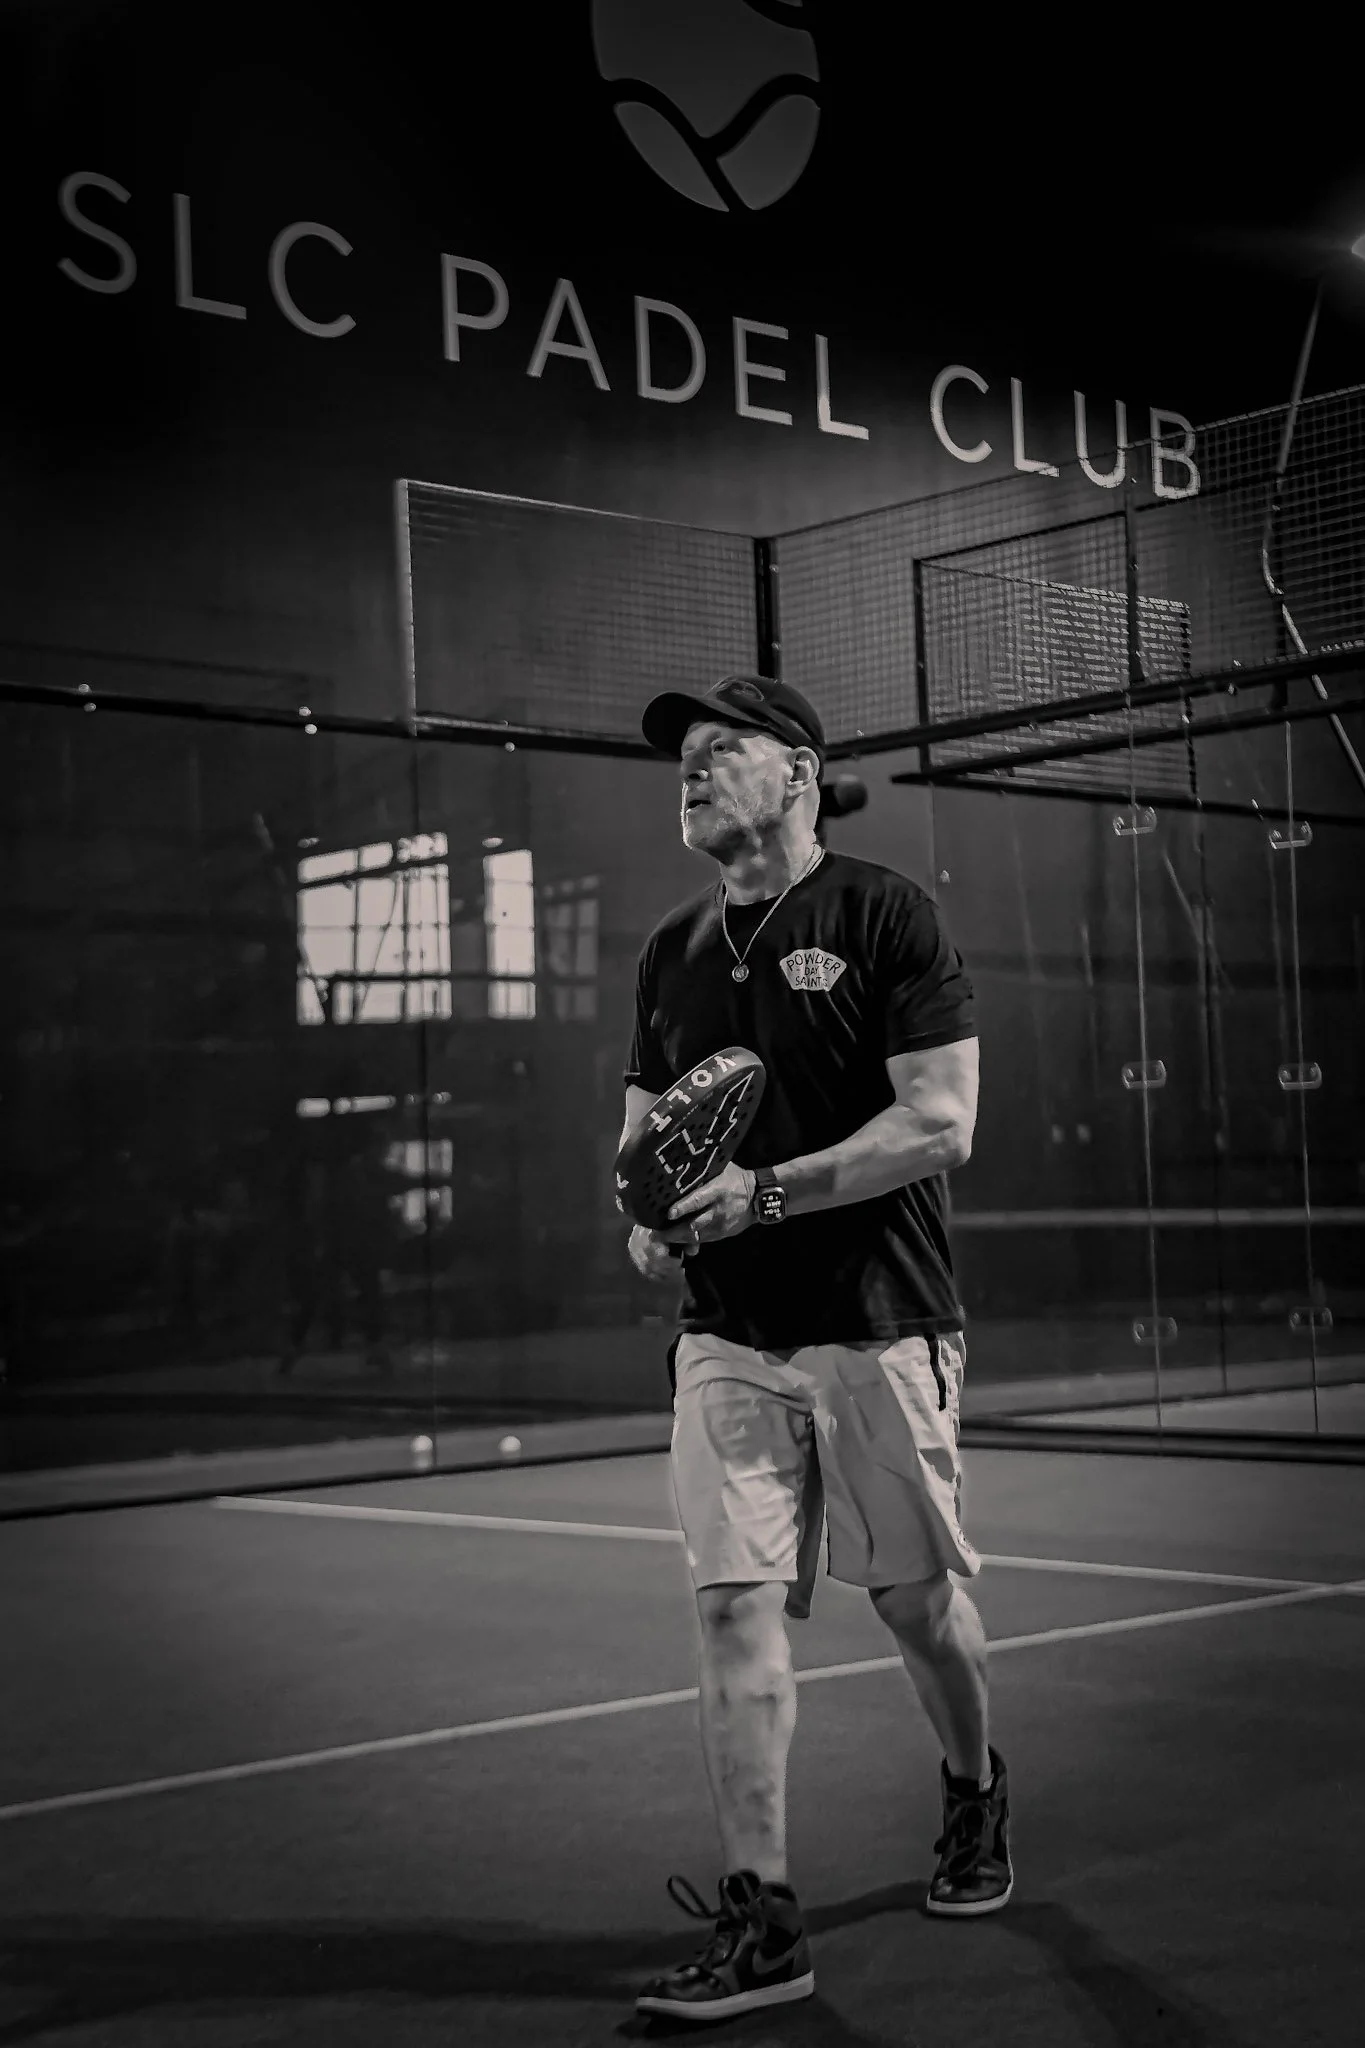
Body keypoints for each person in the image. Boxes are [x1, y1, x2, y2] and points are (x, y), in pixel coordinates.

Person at [621, 672, 1010, 2024]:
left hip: (878, 1320)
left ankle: (972, 1788)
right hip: (729, 1334)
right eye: (687, 759)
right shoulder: (669, 949)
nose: (696, 772)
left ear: (800, 773)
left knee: (913, 1606)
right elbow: (642, 1138)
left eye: (726, 752)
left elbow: (941, 1124)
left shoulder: (885, 912)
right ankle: (764, 1922)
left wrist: (772, 1191)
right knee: (730, 1607)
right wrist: (648, 1223)